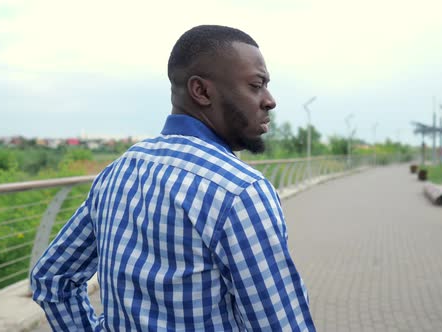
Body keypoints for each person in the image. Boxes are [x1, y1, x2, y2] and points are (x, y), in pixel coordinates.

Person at [30, 24, 316, 331]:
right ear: (202, 91)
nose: (269, 100)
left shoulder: (119, 171)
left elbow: (52, 278)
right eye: (256, 85)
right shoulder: (239, 191)